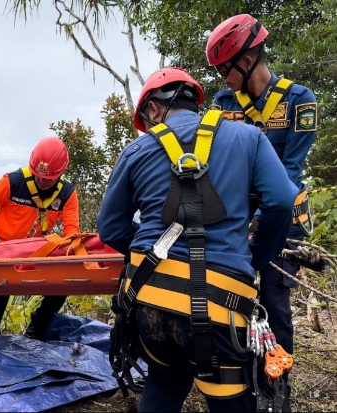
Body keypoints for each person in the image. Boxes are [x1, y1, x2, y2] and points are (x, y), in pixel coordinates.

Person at [97, 67, 297, 411]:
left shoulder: (136, 150)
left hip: (148, 301)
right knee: (229, 393)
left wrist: (152, 252)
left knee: (164, 378)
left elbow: (111, 228)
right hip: (223, 304)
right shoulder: (249, 138)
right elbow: (281, 201)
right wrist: (255, 258)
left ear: (155, 109)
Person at [206, 14, 317, 405]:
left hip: (282, 219)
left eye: (225, 68)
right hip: (236, 220)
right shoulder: (222, 104)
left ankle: (276, 386)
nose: (222, 77)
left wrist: (259, 219)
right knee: (229, 296)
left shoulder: (300, 100)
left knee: (274, 303)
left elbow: (289, 170)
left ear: (248, 60)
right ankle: (237, 377)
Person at [0, 136, 80, 341]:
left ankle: (36, 332)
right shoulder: (13, 182)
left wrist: (70, 256)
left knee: (62, 286)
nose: (42, 180)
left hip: (35, 255)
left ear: (59, 173)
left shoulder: (66, 194)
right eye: (38, 176)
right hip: (2, 254)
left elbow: (71, 230)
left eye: (48, 178)